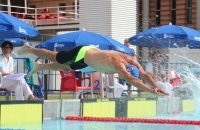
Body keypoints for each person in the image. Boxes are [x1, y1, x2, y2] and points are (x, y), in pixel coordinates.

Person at [18, 43, 169, 96]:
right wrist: (150, 91)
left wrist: (155, 87)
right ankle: (29, 48)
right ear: (127, 70)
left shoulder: (132, 61)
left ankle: (39, 67)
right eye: (126, 73)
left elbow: (144, 75)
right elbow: (133, 80)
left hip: (87, 59)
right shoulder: (118, 64)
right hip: (82, 53)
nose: (125, 75)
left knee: (64, 67)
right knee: (55, 57)